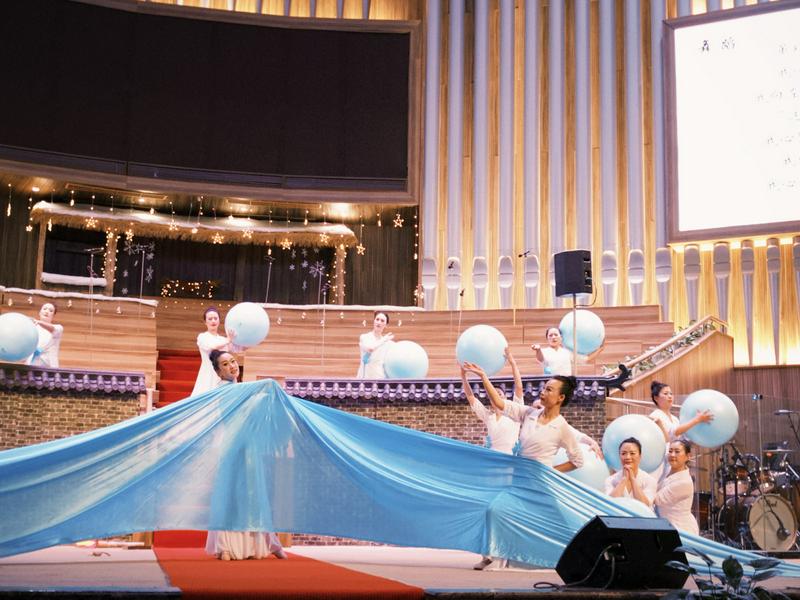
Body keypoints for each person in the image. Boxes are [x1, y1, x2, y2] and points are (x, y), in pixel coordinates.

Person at [205, 349, 288, 561]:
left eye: (233, 361)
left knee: (254, 493)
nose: (232, 366)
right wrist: (267, 387)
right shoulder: (225, 390)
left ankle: (267, 543)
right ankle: (227, 546)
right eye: (225, 364)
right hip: (234, 448)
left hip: (248, 447)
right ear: (218, 371)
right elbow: (252, 399)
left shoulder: (238, 388)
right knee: (234, 495)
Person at [465, 363, 591, 472]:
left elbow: (578, 461)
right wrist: (483, 376)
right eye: (543, 388)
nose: (542, 392)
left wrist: (551, 472)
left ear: (561, 397)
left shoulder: (562, 427)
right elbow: (498, 402)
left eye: (549, 390)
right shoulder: (528, 413)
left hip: (540, 484)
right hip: (519, 476)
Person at [461, 348, 523, 571]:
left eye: (499, 393)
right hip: (491, 468)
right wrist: (463, 375)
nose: (496, 396)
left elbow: (518, 386)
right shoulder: (487, 416)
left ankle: (509, 552)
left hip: (510, 466)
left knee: (506, 509)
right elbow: (470, 397)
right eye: (492, 393)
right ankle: (487, 554)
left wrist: (512, 361)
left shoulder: (514, 413)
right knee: (487, 509)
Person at [648, 380, 713, 478]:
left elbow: (681, 438)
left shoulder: (674, 419)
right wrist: (697, 420)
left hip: (674, 459)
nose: (670, 396)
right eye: (665, 394)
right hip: (661, 460)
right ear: (656, 398)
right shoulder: (656, 416)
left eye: (671, 394)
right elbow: (674, 432)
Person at [654, 439, 699, 535]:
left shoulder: (684, 482)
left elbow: (656, 499)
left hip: (681, 529)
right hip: (666, 526)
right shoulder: (667, 469)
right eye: (670, 451)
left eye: (677, 452)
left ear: (688, 456)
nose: (672, 455)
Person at [191, 307, 235, 396]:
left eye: (215, 318)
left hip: (224, 374)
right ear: (205, 322)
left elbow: (237, 348)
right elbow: (211, 346)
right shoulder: (202, 337)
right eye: (210, 319)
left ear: (219, 320)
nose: (213, 321)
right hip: (208, 374)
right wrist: (228, 340)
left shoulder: (223, 339)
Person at [605, 437, 657, 508]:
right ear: (619, 456)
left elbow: (645, 505)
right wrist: (624, 480)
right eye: (623, 453)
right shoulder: (611, 480)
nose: (628, 457)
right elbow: (609, 504)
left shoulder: (650, 480)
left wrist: (632, 479)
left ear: (640, 456)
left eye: (632, 453)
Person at [531, 326, 604, 376]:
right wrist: (538, 350)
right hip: (550, 384)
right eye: (550, 335)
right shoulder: (544, 351)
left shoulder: (567, 352)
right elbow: (540, 358)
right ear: (547, 338)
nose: (553, 337)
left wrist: (600, 349)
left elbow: (586, 359)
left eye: (556, 335)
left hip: (566, 383)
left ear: (561, 337)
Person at [356, 311, 394, 379]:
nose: (379, 322)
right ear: (374, 321)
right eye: (377, 319)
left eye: (382, 321)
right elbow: (370, 348)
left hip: (379, 379)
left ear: (386, 325)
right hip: (364, 379)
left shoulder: (387, 343)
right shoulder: (364, 337)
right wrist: (383, 340)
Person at [27, 302, 63, 368]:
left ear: (53, 316)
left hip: (50, 367)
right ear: (39, 312)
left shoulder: (58, 327)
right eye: (44, 309)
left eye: (51, 311)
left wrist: (38, 322)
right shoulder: (33, 328)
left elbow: (53, 329)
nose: (47, 312)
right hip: (32, 365)